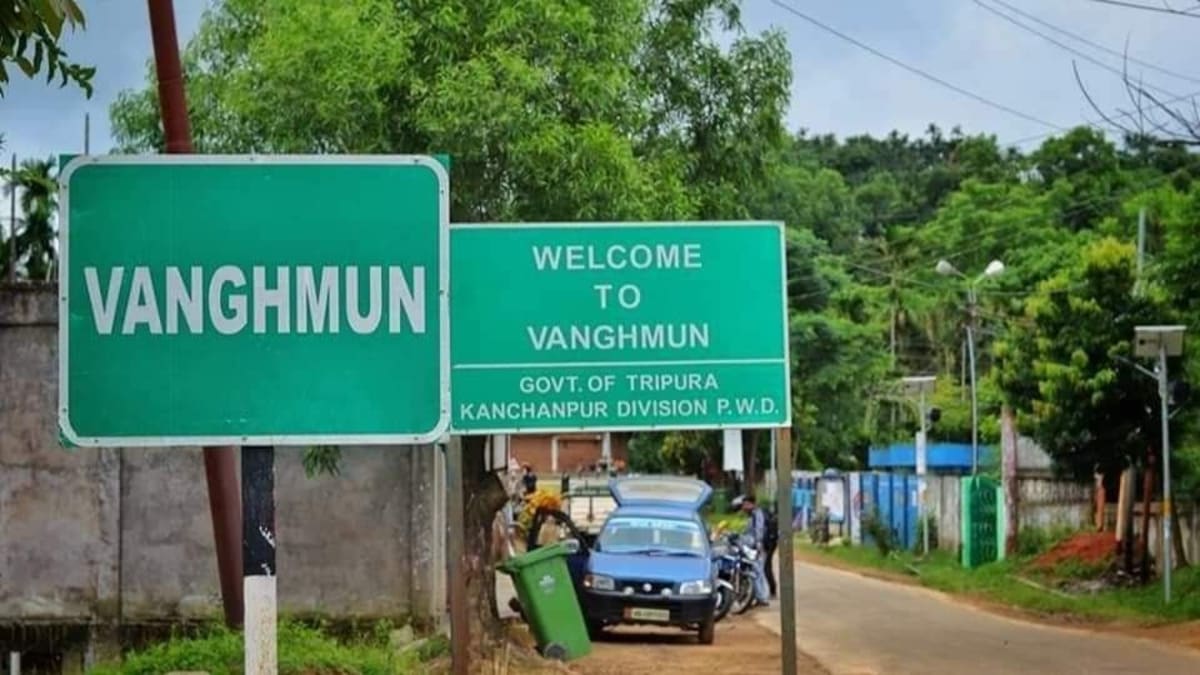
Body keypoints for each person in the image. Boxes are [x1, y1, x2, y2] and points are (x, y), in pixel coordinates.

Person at [734, 494, 771, 608]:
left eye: (746, 504)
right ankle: (758, 596)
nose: (744, 507)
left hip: (758, 547)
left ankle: (763, 597)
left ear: (752, 504)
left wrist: (758, 545)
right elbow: (748, 530)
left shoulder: (757, 514)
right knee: (756, 570)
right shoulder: (752, 515)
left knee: (758, 571)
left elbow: (759, 530)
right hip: (754, 546)